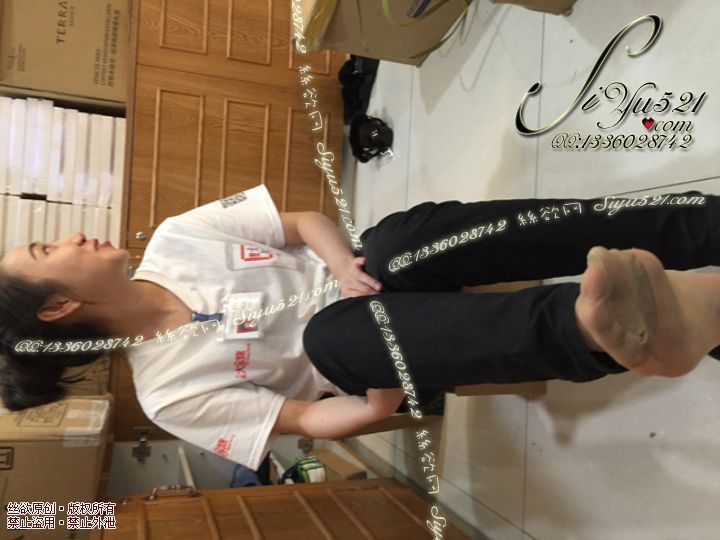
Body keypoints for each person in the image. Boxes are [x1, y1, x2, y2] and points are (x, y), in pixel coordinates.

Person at [1, 184, 718, 471]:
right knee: (332, 339)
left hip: (366, 275)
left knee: (400, 241)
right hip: (367, 350)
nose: (71, 236)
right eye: (47, 250)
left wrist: (344, 263)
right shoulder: (168, 394)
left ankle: (692, 228)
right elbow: (307, 419)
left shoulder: (176, 238)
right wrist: (380, 399)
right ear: (58, 308)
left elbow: (303, 222)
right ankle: (604, 325)